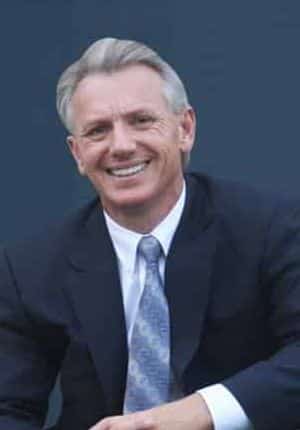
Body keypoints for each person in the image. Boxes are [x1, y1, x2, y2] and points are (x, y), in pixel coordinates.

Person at [0, 37, 299, 430]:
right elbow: (10, 408)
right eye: (98, 131)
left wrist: (202, 412)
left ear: (185, 129)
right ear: (76, 153)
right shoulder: (30, 268)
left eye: (141, 121)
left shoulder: (269, 228)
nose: (121, 146)